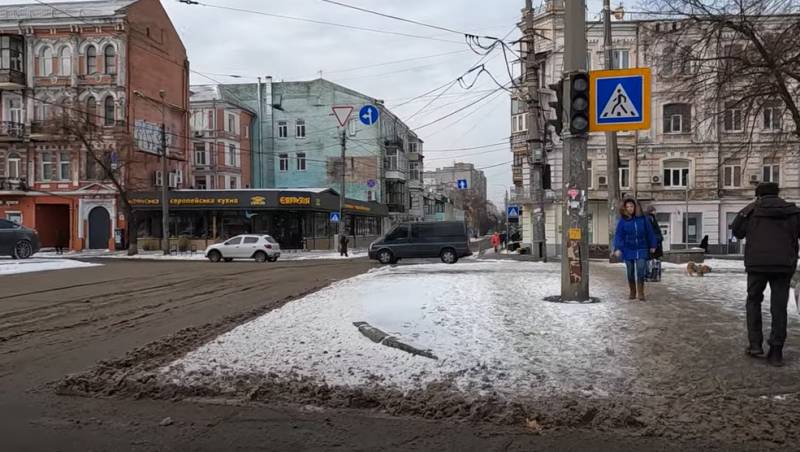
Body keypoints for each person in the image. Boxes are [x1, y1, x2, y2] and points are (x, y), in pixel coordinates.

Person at [732, 182, 800, 366]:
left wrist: (750, 207)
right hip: (784, 265)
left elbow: (737, 232)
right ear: (778, 193)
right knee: (779, 307)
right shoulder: (792, 211)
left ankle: (755, 345)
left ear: (758, 195)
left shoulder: (752, 210)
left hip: (757, 265)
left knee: (754, 301)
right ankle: (776, 352)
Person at [613, 198, 658, 301]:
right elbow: (619, 235)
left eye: (631, 206)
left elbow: (650, 233)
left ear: (636, 207)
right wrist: (618, 248)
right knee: (630, 271)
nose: (629, 209)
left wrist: (653, 245)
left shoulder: (643, 219)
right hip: (628, 248)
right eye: (627, 207)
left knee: (641, 270)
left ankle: (641, 293)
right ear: (625, 208)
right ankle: (632, 291)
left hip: (642, 248)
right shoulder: (622, 221)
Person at [645, 206, 664, 282]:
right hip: (654, 243)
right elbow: (653, 231)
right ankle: (653, 276)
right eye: (654, 211)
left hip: (653, 242)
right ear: (652, 211)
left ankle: (652, 275)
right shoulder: (650, 218)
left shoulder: (649, 218)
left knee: (652, 259)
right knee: (653, 259)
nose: (655, 212)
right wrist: (657, 240)